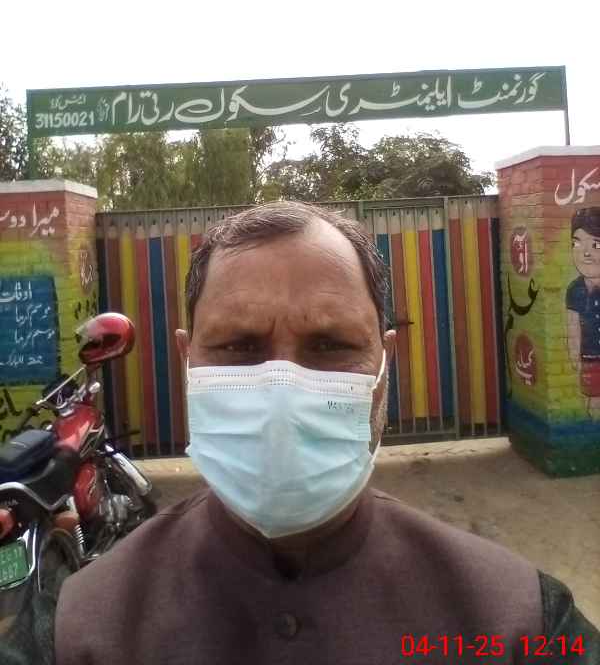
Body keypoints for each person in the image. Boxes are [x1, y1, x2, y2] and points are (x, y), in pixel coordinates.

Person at [1, 201, 598, 664]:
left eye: (331, 345)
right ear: (188, 362)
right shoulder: (75, 630)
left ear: (385, 365)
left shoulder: (519, 620)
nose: (282, 390)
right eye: (238, 346)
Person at [567, 206, 600, 420]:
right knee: (594, 404)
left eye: (596, 244)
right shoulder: (575, 290)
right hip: (590, 358)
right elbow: (573, 329)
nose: (585, 253)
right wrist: (574, 358)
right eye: (577, 243)